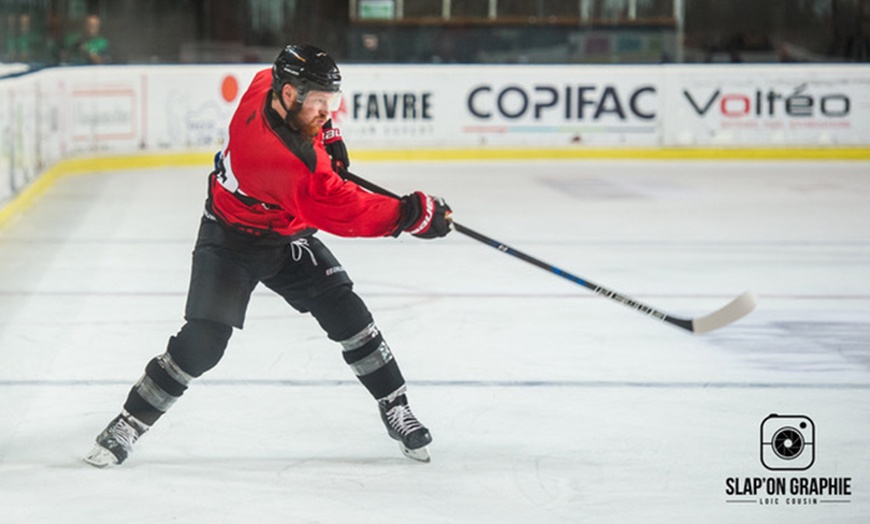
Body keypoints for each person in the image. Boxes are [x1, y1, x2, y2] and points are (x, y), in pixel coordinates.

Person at [84, 44, 452, 467]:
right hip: (231, 241)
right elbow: (346, 210)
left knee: (349, 314)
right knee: (203, 343)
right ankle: (129, 421)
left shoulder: (265, 86)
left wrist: (328, 134)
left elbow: (299, 117)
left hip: (284, 235)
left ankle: (394, 405)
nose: (326, 112)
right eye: (319, 103)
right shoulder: (285, 161)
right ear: (290, 95)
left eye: (331, 103)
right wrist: (412, 214)